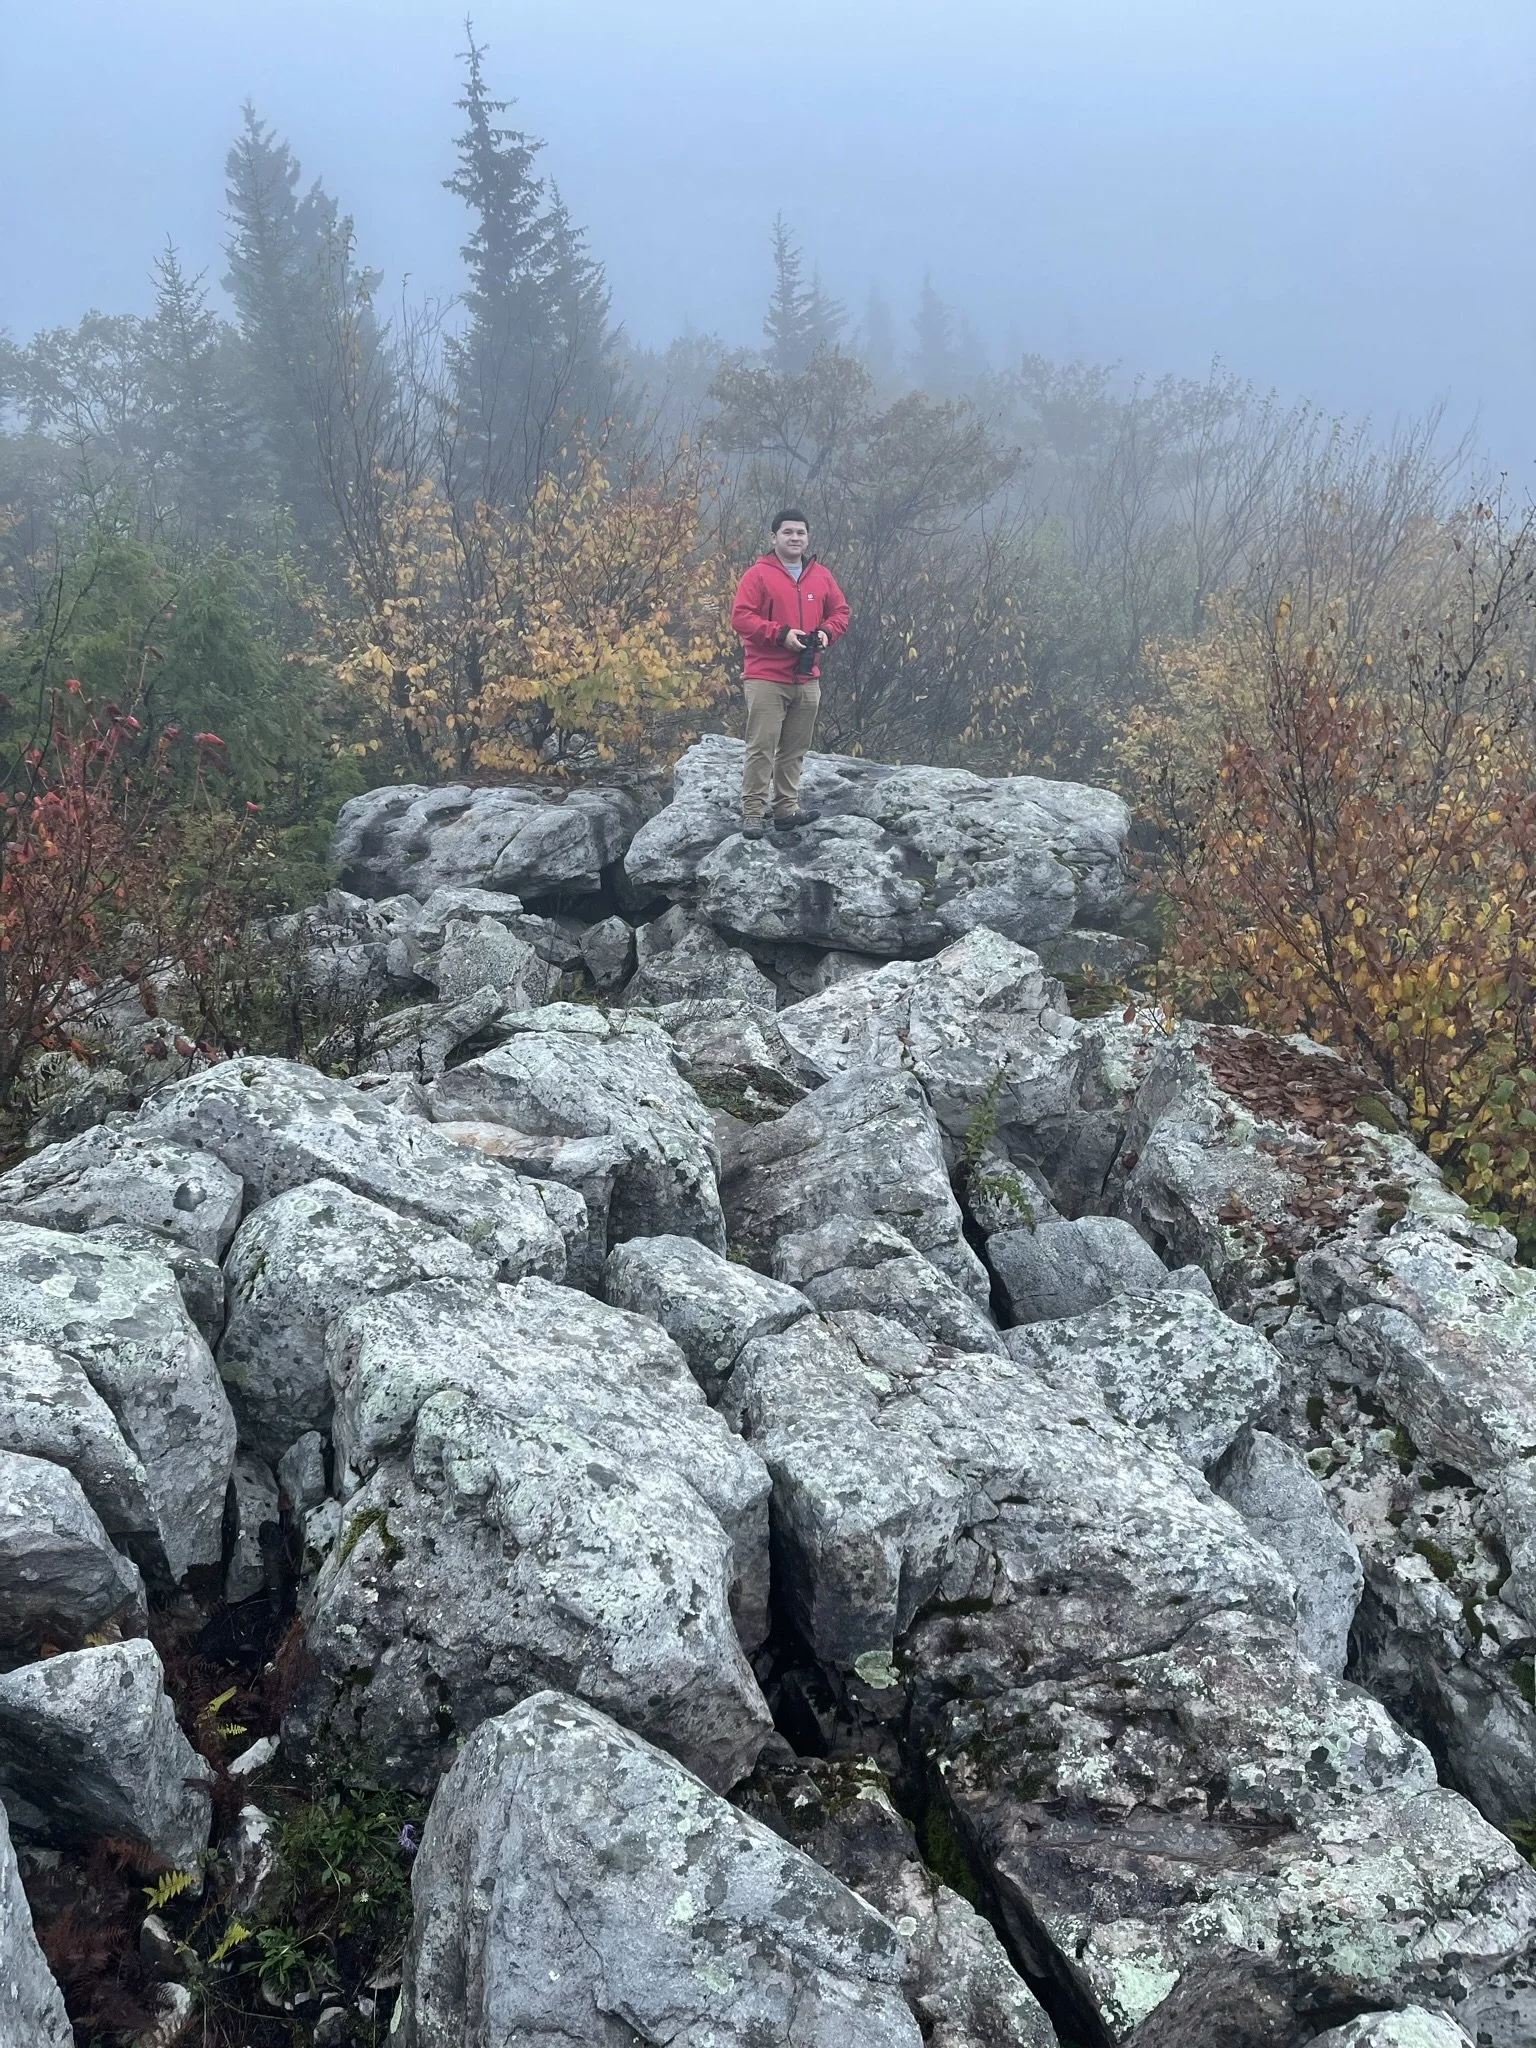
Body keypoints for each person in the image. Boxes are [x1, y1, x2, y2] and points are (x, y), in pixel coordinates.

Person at [728, 509, 850, 837]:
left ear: (807, 538)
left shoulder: (820, 575)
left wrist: (826, 632)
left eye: (800, 533)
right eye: (787, 532)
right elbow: (741, 617)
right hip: (766, 675)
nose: (795, 538)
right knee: (761, 745)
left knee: (795, 748)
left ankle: (786, 808)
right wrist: (780, 634)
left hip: (807, 675)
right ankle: (753, 810)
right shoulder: (758, 575)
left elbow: (840, 610)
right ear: (774, 537)